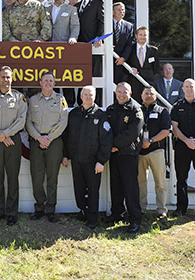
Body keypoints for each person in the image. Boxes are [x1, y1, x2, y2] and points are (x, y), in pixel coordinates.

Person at [63, 86, 112, 229]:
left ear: (95, 97)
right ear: (81, 96)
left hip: (93, 161)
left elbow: (106, 140)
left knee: (92, 190)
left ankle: (92, 218)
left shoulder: (100, 115)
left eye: (91, 95)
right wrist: (65, 155)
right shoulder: (74, 114)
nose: (88, 97)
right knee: (79, 188)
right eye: (85, 95)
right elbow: (66, 136)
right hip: (76, 159)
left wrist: (101, 161)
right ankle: (83, 211)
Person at [0, 66, 27, 226]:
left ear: (12, 79)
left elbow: (22, 119)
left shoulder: (19, 98)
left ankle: (11, 213)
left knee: (13, 177)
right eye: (3, 77)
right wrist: (0, 135)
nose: (5, 80)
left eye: (8, 77)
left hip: (13, 141)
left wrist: (6, 134)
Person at [26, 72, 68, 222]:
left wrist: (49, 138)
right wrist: (39, 137)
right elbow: (28, 122)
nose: (48, 83)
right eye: (45, 81)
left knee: (52, 176)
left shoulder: (61, 100)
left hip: (54, 141)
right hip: (36, 141)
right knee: (37, 176)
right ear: (40, 83)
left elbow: (63, 122)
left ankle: (51, 209)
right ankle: (39, 208)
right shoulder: (32, 100)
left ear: (54, 84)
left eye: (51, 81)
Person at [106, 82, 143, 233]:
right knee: (116, 186)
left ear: (130, 93)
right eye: (119, 92)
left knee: (130, 188)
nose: (121, 94)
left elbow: (132, 133)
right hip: (114, 154)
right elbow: (106, 130)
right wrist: (110, 145)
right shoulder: (111, 109)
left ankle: (135, 219)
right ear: (115, 93)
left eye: (124, 92)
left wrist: (114, 144)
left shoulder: (136, 109)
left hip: (128, 153)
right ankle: (117, 215)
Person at [138, 86, 170, 222]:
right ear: (141, 95)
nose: (149, 96)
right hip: (139, 152)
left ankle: (161, 211)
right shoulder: (137, 110)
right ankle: (141, 209)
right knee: (140, 182)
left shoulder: (162, 111)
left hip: (156, 150)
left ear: (156, 96)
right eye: (146, 93)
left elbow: (166, 131)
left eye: (151, 93)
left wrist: (150, 141)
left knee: (160, 183)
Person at [46, 0, 80, 107]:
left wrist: (73, 37)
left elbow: (75, 26)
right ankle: (51, 103)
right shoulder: (46, 9)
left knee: (66, 77)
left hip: (65, 48)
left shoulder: (71, 9)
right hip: (48, 49)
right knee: (50, 75)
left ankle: (69, 104)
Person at [75, 0, 104, 104]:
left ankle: (95, 102)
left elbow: (103, 21)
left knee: (95, 75)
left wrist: (99, 37)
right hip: (80, 47)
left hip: (94, 45)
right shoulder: (76, 6)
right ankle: (81, 101)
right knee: (82, 75)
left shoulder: (98, 2)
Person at [170, 78, 195, 217]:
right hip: (182, 146)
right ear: (183, 89)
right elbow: (174, 127)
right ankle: (181, 208)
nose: (189, 89)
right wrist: (186, 141)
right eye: (187, 87)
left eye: (191, 86)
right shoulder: (177, 106)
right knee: (181, 178)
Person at [127, 26, 160, 104]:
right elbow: (125, 63)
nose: (142, 37)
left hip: (148, 84)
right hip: (134, 83)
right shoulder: (130, 49)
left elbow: (155, 68)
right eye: (140, 35)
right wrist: (130, 69)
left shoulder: (153, 50)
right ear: (136, 36)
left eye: (145, 35)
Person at [112, 2, 134, 84]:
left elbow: (129, 44)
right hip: (107, 60)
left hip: (121, 62)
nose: (121, 12)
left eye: (123, 10)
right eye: (119, 10)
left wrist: (124, 58)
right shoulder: (106, 24)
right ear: (113, 12)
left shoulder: (129, 26)